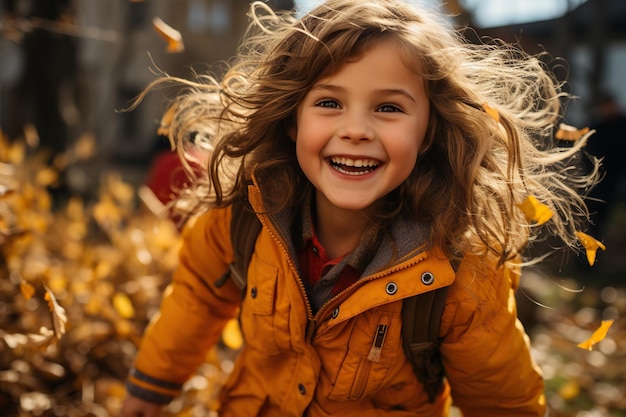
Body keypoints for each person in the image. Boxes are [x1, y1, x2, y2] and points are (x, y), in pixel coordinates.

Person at [119, 1, 599, 416]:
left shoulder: (459, 269)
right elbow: (199, 297)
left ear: (427, 131)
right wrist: (152, 382)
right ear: (291, 119)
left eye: (388, 108)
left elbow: (501, 401)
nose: (356, 130)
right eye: (329, 102)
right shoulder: (243, 216)